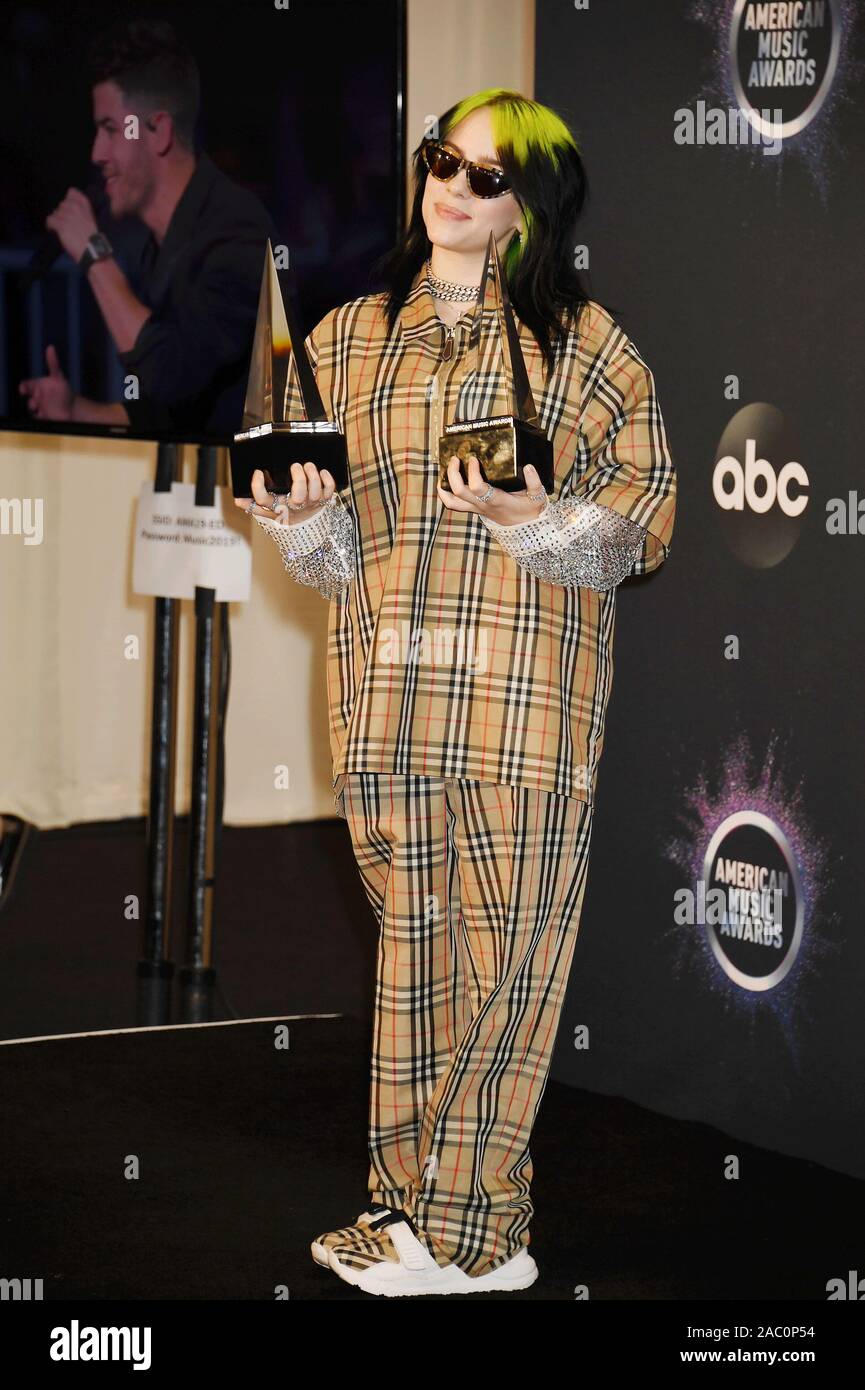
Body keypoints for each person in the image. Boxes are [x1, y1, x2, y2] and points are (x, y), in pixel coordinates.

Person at [236, 88, 676, 1297]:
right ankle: (408, 1210)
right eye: (443, 161)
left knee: (511, 971)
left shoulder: (592, 351)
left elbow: (643, 529)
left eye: (487, 178)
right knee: (416, 964)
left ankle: (474, 1232)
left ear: (528, 209)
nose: (453, 189)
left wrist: (540, 520)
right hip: (386, 700)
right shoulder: (345, 339)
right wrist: (299, 521)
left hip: (526, 712)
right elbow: (332, 557)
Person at [18, 18, 276, 435]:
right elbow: (178, 412)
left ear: (157, 131)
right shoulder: (173, 239)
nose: (97, 154)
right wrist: (76, 412)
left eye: (110, 130)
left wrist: (93, 253)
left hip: (252, 497)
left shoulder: (236, 234)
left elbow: (172, 375)